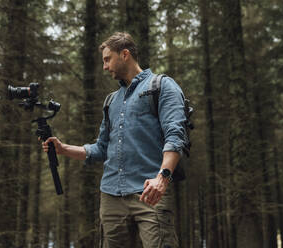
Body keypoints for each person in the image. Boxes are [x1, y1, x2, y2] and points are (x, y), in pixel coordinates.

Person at [41, 32, 187, 248]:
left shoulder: (162, 86)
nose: (105, 66)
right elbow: (101, 148)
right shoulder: (111, 100)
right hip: (111, 196)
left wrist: (163, 177)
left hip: (149, 192)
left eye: (108, 59)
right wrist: (63, 149)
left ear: (125, 54)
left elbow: (175, 135)